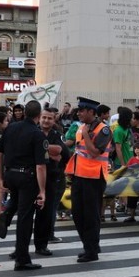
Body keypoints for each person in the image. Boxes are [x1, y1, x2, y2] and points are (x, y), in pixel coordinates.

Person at [0, 100, 47, 271]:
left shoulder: (11, 127)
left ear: (24, 113)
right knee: (25, 219)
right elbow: (40, 166)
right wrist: (42, 190)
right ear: (38, 116)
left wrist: (2, 178)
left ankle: (7, 214)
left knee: (16, 201)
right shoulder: (37, 134)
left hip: (10, 173)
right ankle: (22, 259)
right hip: (27, 177)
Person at [67, 98, 112, 263]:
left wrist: (86, 134)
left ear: (92, 112)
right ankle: (90, 244)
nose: (79, 113)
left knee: (91, 215)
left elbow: (94, 153)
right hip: (79, 175)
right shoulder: (80, 128)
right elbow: (78, 152)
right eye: (78, 110)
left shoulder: (104, 130)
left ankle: (91, 251)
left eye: (82, 110)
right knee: (77, 214)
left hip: (94, 177)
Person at [34, 107, 70, 253]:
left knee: (48, 211)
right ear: (39, 118)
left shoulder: (57, 134)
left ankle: (44, 241)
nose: (46, 120)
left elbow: (62, 153)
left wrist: (42, 148)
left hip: (53, 177)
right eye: (44, 117)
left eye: (49, 118)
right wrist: (51, 151)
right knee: (28, 212)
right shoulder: (34, 132)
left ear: (54, 120)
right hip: (34, 177)